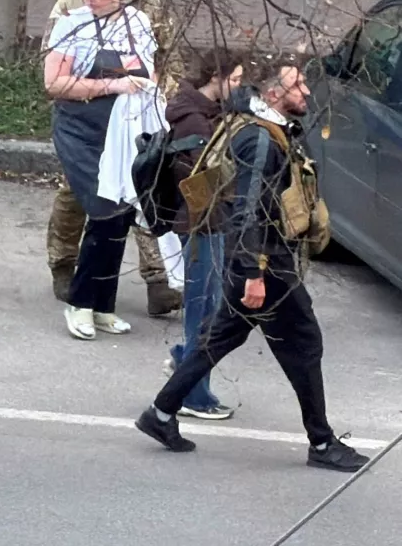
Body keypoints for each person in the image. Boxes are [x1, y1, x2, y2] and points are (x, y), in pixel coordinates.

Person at [135, 63, 370, 472]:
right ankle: (321, 443)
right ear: (274, 92)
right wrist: (254, 274)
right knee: (305, 343)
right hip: (265, 261)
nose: (307, 94)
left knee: (220, 337)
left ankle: (160, 414)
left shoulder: (257, 127)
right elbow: (248, 212)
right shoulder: (261, 141)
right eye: (299, 86)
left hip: (248, 257)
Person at [44, 0, 182, 317]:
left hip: (133, 115)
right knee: (77, 193)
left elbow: (165, 53)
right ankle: (63, 264)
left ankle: (157, 279)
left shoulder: (145, 4)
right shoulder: (71, 7)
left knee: (139, 186)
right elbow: (54, 67)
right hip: (86, 117)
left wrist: (160, 100)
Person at [160, 48, 244, 420]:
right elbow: (197, 182)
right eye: (236, 80)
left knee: (209, 304)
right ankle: (194, 395)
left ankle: (184, 361)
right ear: (217, 78)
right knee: (203, 309)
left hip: (211, 221)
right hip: (199, 223)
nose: (239, 88)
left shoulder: (209, 113)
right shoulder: (195, 122)